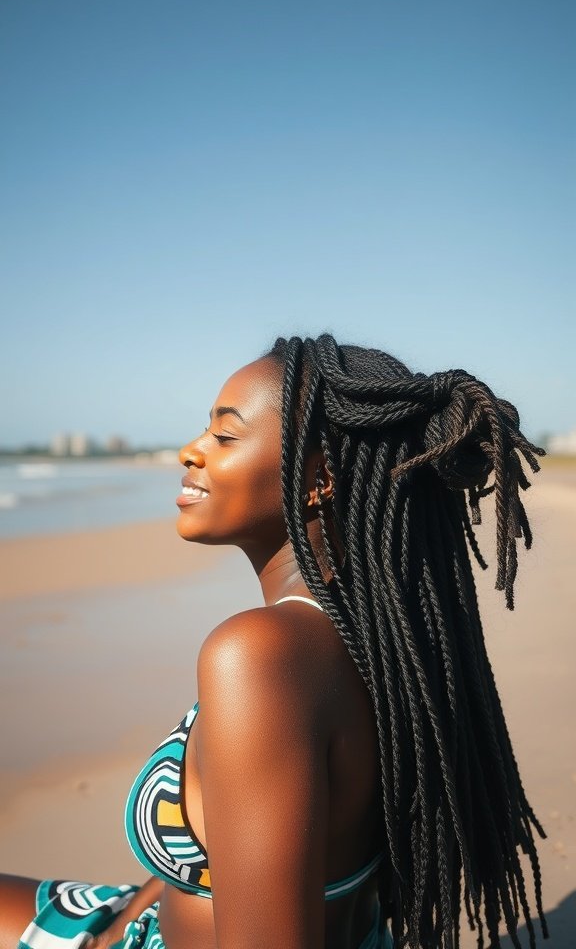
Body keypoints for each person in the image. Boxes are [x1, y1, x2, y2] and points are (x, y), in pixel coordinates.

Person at [0, 334, 548, 949]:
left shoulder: (260, 657)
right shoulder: (389, 640)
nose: (190, 452)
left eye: (224, 437)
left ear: (318, 477)